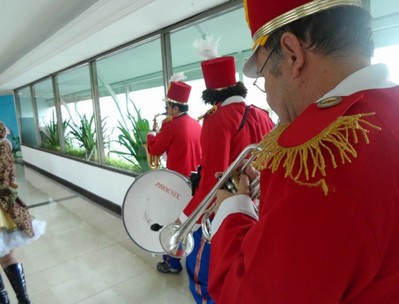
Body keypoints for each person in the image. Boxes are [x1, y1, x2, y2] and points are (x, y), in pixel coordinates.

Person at [208, 0, 399, 303]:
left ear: (292, 54)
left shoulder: (320, 157)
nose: (268, 92)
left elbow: (248, 295)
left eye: (263, 74)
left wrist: (234, 208)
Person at [179, 54, 274, 303]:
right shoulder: (263, 114)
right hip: (257, 209)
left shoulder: (216, 119)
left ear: (211, 95)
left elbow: (214, 180)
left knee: (202, 272)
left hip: (221, 211)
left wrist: (185, 218)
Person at [146, 77, 202, 274]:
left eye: (168, 106)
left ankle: (172, 263)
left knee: (169, 221)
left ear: (176, 108)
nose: (167, 110)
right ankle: (188, 259)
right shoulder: (197, 124)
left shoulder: (171, 125)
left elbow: (155, 150)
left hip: (174, 182)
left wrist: (151, 134)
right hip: (193, 183)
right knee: (187, 221)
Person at [0, 121, 46, 303]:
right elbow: (8, 178)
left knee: (7, 255)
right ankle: (24, 300)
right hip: (3, 206)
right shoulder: (3, 144)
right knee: (7, 255)